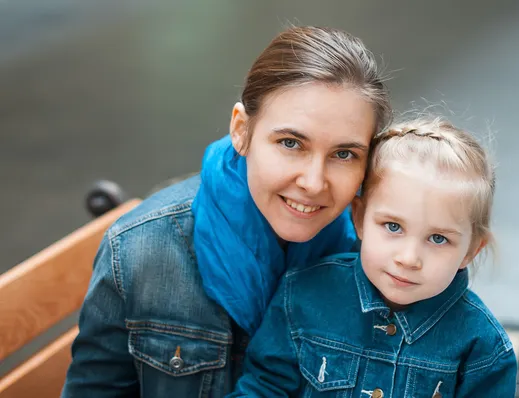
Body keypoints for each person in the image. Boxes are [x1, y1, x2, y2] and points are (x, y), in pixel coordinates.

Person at [61, 26, 392, 398]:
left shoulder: (386, 261)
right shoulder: (142, 251)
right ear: (241, 130)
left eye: (344, 154)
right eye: (290, 143)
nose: (314, 183)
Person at [229, 118, 518, 397]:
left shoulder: (482, 346)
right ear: (359, 218)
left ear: (470, 251)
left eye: (438, 238)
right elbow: (263, 387)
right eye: (393, 227)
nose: (408, 258)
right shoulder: (303, 294)